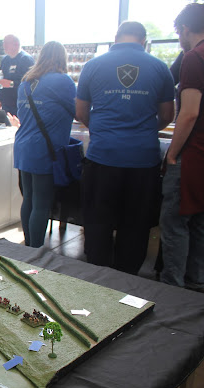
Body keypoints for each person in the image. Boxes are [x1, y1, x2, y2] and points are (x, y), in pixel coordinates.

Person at [76, 21, 175, 275]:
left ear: (116, 38)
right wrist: (144, 131)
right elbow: (167, 115)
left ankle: (96, 279)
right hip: (143, 159)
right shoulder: (160, 68)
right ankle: (127, 280)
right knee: (136, 225)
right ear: (144, 41)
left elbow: (81, 111)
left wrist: (101, 131)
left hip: (102, 156)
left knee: (98, 222)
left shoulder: (93, 66)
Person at [13, 41, 76, 248]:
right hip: (44, 149)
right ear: (62, 58)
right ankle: (36, 252)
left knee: (29, 199)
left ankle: (28, 249)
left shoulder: (25, 83)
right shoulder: (63, 81)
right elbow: (79, 112)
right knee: (41, 202)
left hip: (23, 146)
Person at [160, 3, 204, 291]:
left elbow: (189, 113)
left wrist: (172, 154)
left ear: (185, 29)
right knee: (199, 223)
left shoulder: (194, 58)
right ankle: (196, 284)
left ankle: (172, 291)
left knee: (175, 224)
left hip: (192, 156)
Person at [0, 34, 35, 116]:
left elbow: (31, 83)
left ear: (16, 44)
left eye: (7, 43)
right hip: (6, 104)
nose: (4, 46)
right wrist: (1, 100)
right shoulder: (5, 60)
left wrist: (11, 84)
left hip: (21, 104)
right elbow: (1, 81)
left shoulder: (26, 59)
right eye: (3, 43)